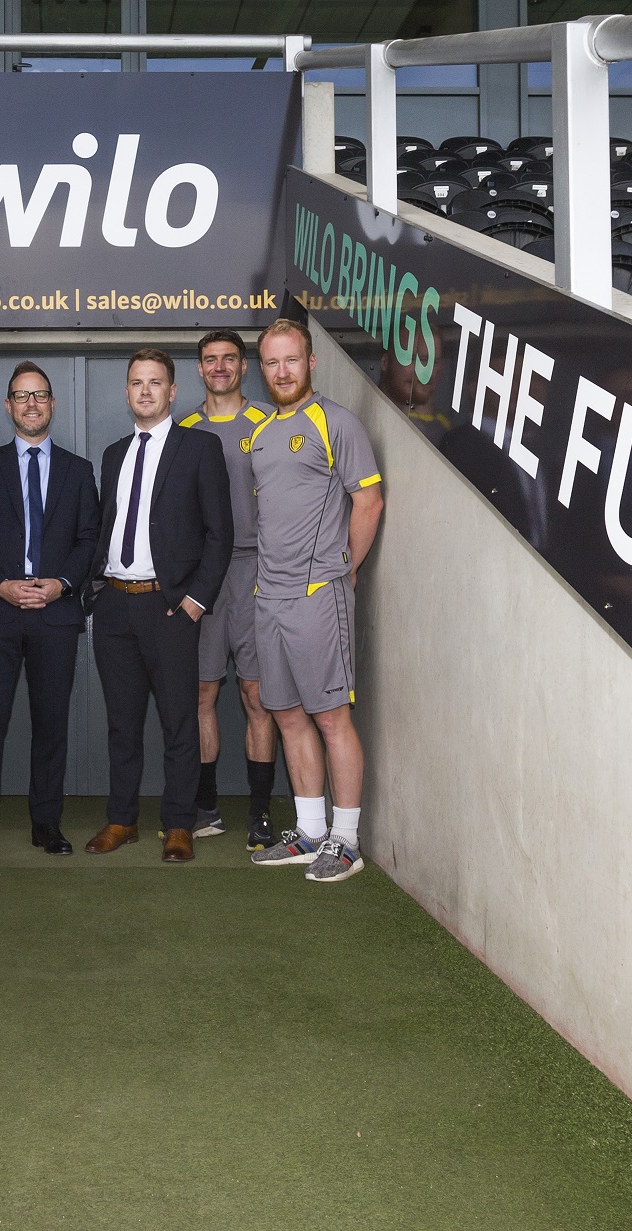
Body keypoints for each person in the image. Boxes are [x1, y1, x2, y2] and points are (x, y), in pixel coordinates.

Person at [244, 319, 384, 883]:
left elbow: (368, 502)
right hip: (267, 597)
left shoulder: (336, 422)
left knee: (330, 717)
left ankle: (345, 841)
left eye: (291, 360)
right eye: (272, 363)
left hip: (317, 595)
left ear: (310, 362)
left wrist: (343, 573)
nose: (281, 372)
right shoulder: (259, 432)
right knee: (285, 714)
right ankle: (308, 833)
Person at [85, 348, 233, 864]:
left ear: (172, 392)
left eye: (155, 382)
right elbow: (107, 525)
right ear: (126, 392)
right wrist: (94, 590)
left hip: (169, 608)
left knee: (179, 722)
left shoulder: (200, 447)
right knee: (122, 722)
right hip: (115, 608)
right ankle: (122, 819)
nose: (145, 390)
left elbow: (220, 533)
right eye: (136, 382)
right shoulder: (113, 453)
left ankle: (179, 824)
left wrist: (195, 602)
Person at [0, 362, 100, 857]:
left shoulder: (79, 472)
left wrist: (61, 585)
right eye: (21, 396)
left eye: (40, 395)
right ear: (8, 406)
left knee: (51, 723)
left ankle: (47, 824)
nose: (32, 404)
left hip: (56, 616)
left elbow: (88, 541)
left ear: (53, 404)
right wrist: (1, 585)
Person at [180, 330, 279, 849]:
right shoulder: (186, 430)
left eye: (229, 359)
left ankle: (260, 814)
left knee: (257, 694)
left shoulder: (269, 421)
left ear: (245, 368)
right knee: (202, 692)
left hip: (259, 571)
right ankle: (205, 806)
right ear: (199, 369)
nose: (219, 367)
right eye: (210, 359)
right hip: (205, 577)